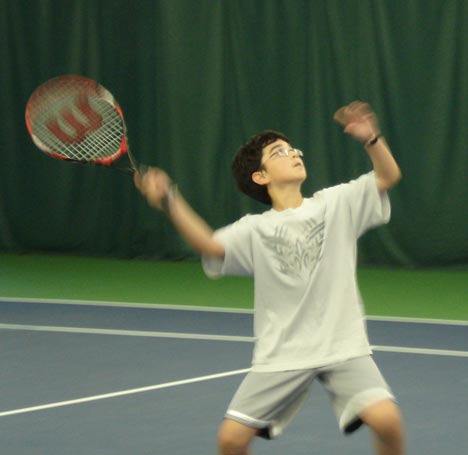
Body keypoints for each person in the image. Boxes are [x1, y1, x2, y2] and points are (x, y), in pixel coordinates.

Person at [134, 101, 405, 455]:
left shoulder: (336, 203)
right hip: (282, 353)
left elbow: (387, 176)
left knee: (387, 421)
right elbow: (209, 245)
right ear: (260, 176)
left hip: (343, 345)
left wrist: (372, 139)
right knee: (231, 440)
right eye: (280, 152)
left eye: (293, 149)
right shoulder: (255, 230)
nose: (293, 154)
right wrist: (170, 199)